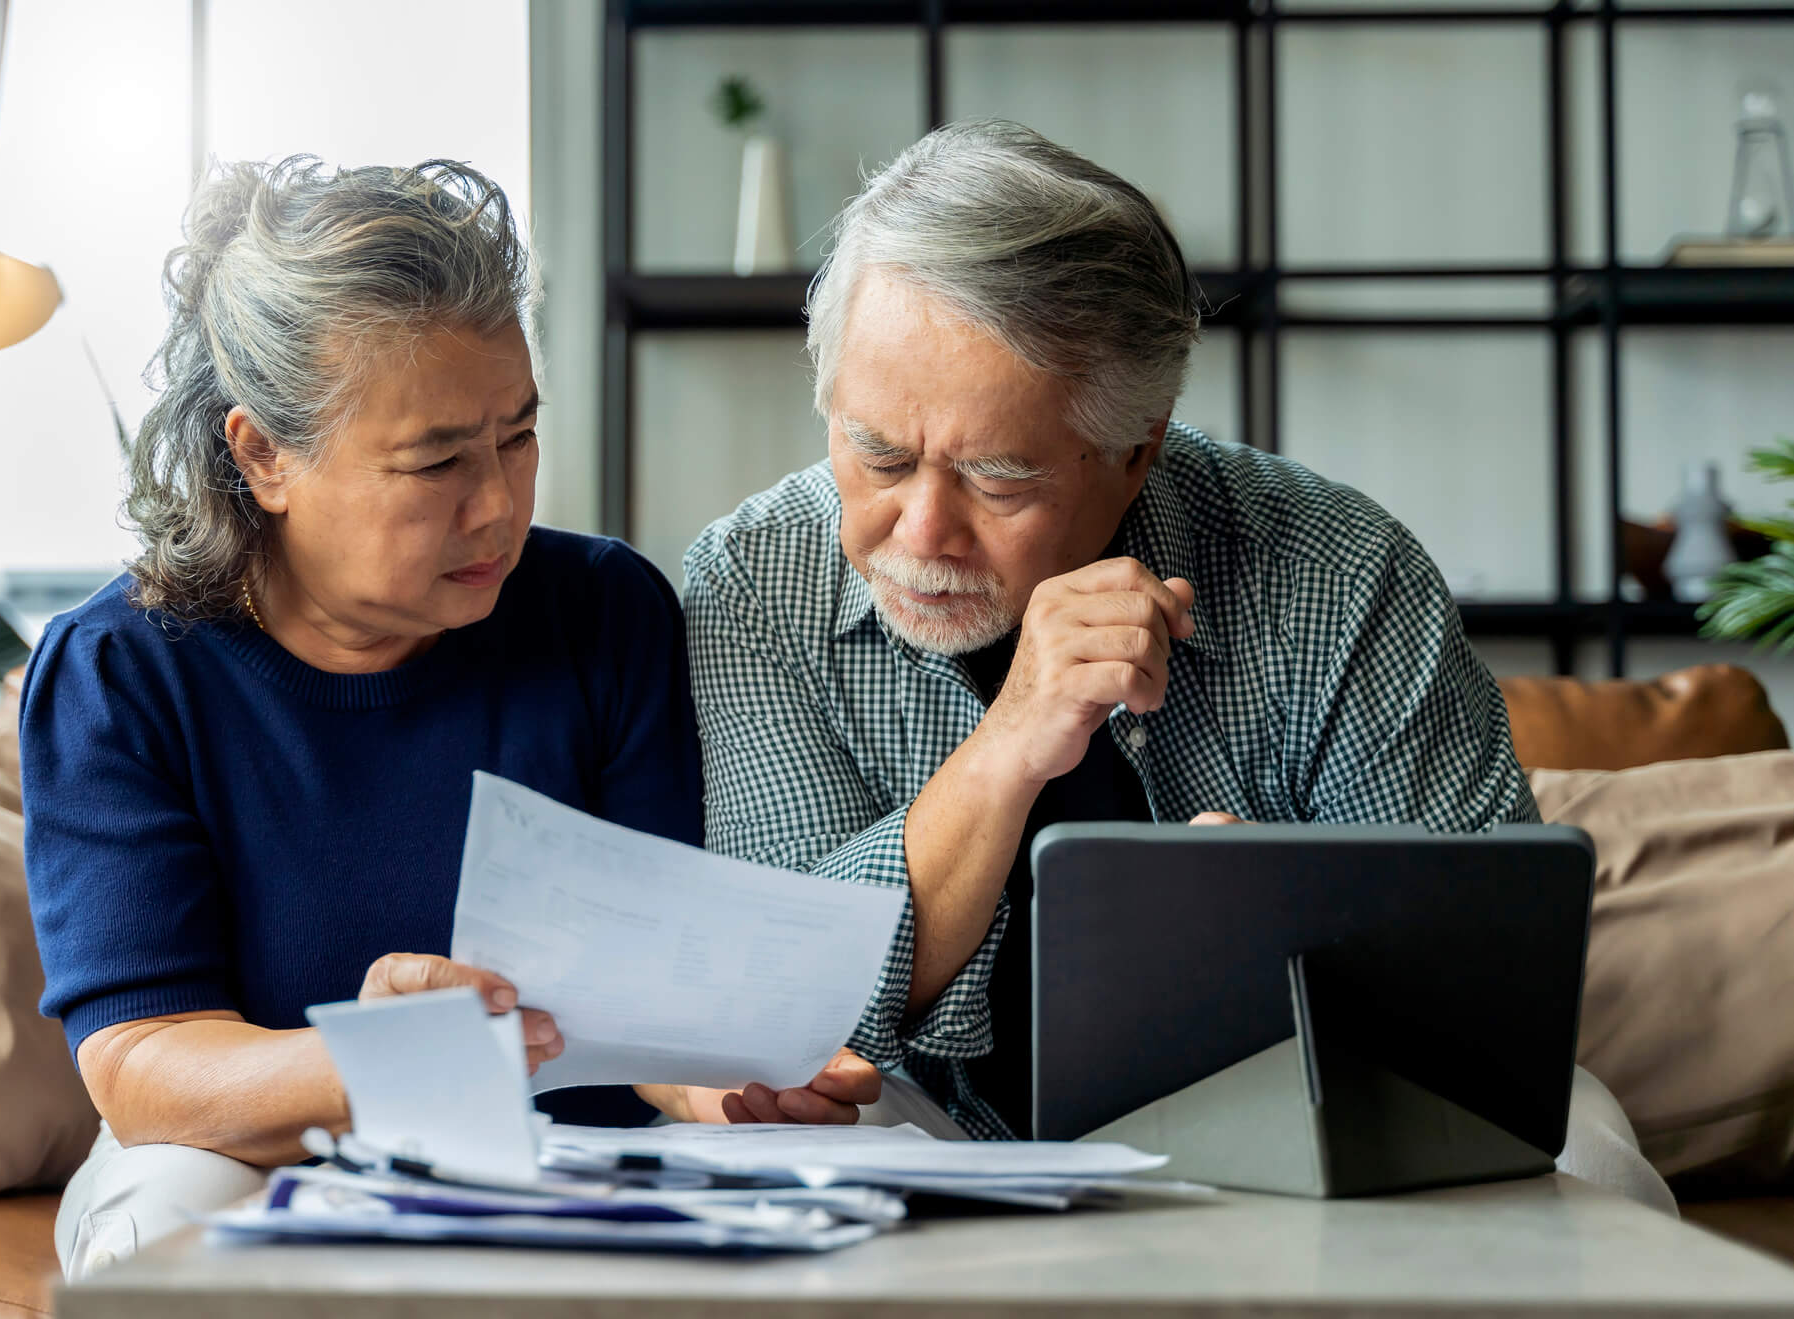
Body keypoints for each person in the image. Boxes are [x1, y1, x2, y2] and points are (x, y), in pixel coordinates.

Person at [680, 120, 1673, 1210]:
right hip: (920, 1114)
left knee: (1585, 1144)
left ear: (1138, 446)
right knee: (773, 1148)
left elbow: (1496, 989)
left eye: (998, 480)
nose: (921, 533)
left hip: (1293, 1098)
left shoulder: (1342, 573)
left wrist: (1286, 936)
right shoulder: (751, 581)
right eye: (877, 455)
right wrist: (1012, 740)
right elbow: (774, 998)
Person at [21, 157, 875, 1319]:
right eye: (434, 464)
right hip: (249, 1155)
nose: (499, 504)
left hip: (569, 1154)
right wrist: (382, 1059)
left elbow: (644, 1007)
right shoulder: (124, 669)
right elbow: (143, 1070)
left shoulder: (602, 613)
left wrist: (731, 1081)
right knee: (167, 1232)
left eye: (519, 434)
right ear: (261, 455)